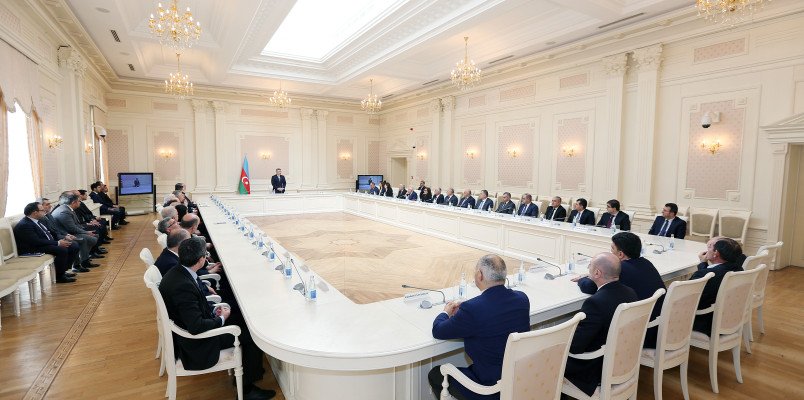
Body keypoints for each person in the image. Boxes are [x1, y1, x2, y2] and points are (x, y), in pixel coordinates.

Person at [159, 238, 275, 400]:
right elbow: (196, 326)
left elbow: (193, 309)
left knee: (241, 318)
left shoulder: (179, 272)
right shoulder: (182, 286)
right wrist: (220, 319)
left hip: (193, 326)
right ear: (201, 260)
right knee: (251, 336)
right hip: (197, 344)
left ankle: (251, 369)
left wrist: (215, 312)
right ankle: (247, 390)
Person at [428, 255, 530, 400]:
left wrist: (446, 312)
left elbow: (438, 330)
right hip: (518, 381)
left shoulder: (472, 309)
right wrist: (466, 310)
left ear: (479, 275)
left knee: (436, 374)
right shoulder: (522, 299)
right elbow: (493, 309)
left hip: (489, 388)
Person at [572, 232, 665, 347]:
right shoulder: (646, 263)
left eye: (612, 249)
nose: (611, 252)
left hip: (642, 333)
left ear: (620, 254)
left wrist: (582, 279)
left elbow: (590, 287)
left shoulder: (621, 269)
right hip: (656, 325)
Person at [564, 253, 638, 397]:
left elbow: (575, 346)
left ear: (597, 273)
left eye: (590, 266)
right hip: (624, 360)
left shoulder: (595, 303)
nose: (588, 269)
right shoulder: (631, 293)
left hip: (596, 369)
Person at [13, 202, 80, 283]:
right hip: (32, 248)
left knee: (73, 245)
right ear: (35, 212)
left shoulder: (36, 220)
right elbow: (35, 241)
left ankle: (63, 271)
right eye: (42, 210)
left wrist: (64, 237)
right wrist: (58, 243)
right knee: (62, 250)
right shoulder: (25, 224)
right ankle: (59, 276)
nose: (44, 211)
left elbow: (50, 233)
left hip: (42, 244)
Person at [690, 237, 744, 334]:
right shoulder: (739, 269)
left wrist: (702, 264)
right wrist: (703, 264)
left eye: (710, 248)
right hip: (728, 318)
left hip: (705, 322)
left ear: (716, 253)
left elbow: (690, 299)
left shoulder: (704, 275)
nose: (707, 250)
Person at [51, 192, 101, 269]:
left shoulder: (68, 209)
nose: (80, 203)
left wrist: (85, 231)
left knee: (95, 236)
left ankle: (84, 259)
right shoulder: (64, 211)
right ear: (73, 202)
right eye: (78, 201)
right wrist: (86, 232)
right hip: (65, 234)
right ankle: (80, 263)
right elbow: (72, 228)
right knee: (87, 239)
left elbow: (76, 225)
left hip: (70, 232)